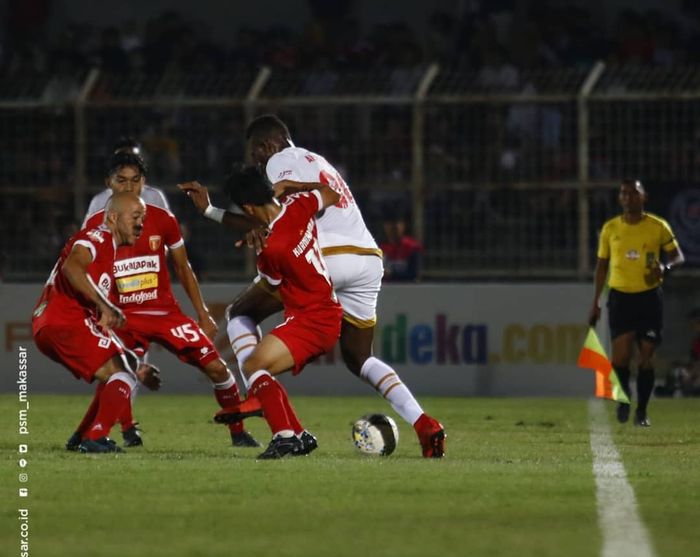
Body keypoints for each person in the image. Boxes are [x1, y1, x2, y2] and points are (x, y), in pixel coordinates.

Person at [180, 114, 445, 458]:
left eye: (256, 154)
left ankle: (258, 391)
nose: (257, 163)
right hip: (367, 259)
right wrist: (213, 212)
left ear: (268, 146)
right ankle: (425, 424)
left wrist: (271, 195)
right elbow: (275, 213)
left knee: (240, 312)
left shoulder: (280, 161)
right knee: (360, 358)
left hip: (326, 255)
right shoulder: (317, 160)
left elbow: (272, 206)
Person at [70, 151, 261, 450]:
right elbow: (88, 276)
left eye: (135, 180)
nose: (128, 187)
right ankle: (94, 435)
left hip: (164, 313)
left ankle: (238, 433)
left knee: (218, 369)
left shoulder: (163, 220)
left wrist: (202, 312)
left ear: (144, 182)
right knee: (119, 373)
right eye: (121, 181)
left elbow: (183, 268)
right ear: (109, 183)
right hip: (124, 315)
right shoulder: (97, 225)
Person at [214, 164, 343, 459]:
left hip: (312, 319)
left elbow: (272, 288)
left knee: (253, 367)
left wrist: (260, 249)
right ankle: (298, 435)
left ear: (247, 206)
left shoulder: (271, 248)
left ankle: (283, 435)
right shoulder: (299, 204)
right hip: (325, 311)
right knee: (260, 370)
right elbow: (331, 193)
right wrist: (291, 187)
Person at [32, 192, 147, 453]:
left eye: (144, 218)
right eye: (136, 216)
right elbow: (72, 268)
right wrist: (105, 305)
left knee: (120, 369)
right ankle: (94, 437)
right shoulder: (98, 236)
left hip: (53, 322)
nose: (141, 223)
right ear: (114, 217)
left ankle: (83, 435)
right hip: (64, 320)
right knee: (123, 372)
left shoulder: (111, 253)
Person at [588, 178, 684, 426]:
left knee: (646, 356)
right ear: (620, 198)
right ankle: (624, 398)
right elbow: (601, 266)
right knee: (620, 357)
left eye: (634, 193)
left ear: (644, 197)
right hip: (620, 297)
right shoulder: (610, 229)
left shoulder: (657, 226)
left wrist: (665, 266)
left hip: (649, 297)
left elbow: (677, 255)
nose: (629, 197)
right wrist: (596, 301)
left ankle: (641, 410)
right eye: (624, 193)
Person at [82, 137, 169, 225]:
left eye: (133, 157)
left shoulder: (154, 196)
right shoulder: (100, 201)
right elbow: (87, 234)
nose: (127, 160)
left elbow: (168, 230)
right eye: (122, 156)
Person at [379, 209, 423, 282]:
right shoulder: (380, 249)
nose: (394, 227)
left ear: (403, 226)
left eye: (397, 224)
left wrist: (391, 275)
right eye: (390, 224)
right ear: (385, 226)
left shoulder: (412, 247)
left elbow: (414, 274)